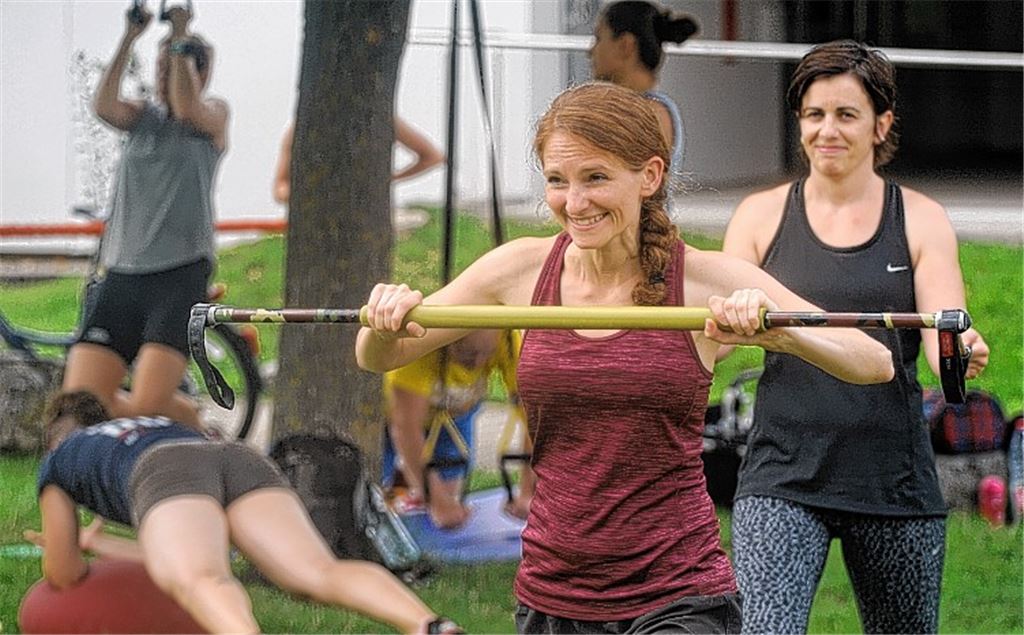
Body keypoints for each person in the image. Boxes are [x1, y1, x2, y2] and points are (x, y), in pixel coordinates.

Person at [355, 81, 895, 633]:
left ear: (650, 176)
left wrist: (788, 338)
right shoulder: (517, 270)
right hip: (554, 593)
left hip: (678, 593)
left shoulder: (702, 279)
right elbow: (379, 355)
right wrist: (384, 319)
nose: (575, 202)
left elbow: (872, 359)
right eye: (557, 181)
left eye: (596, 178)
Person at [721, 40, 991, 635]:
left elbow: (944, 333)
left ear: (881, 124)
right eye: (814, 115)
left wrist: (961, 352)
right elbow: (709, 341)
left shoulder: (919, 218)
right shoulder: (758, 216)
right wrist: (731, 319)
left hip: (891, 478)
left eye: (846, 114)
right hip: (782, 476)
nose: (827, 131)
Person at [28, 390, 463, 635]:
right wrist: (102, 544)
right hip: (232, 456)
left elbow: (64, 574)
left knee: (203, 580)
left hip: (164, 472)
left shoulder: (60, 459)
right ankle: (429, 624)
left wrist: (71, 548)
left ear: (55, 438)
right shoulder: (144, 425)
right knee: (317, 572)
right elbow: (199, 543)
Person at [62, 5, 227, 428]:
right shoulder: (141, 119)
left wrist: (180, 33)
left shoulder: (212, 118)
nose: (162, 73)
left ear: (199, 72)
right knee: (78, 405)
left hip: (179, 273)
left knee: (146, 407)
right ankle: (188, 417)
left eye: (171, 63)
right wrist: (129, 37)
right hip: (123, 271)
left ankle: (188, 430)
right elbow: (102, 105)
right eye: (158, 65)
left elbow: (188, 107)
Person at [383, 329, 535, 528]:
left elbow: (536, 419)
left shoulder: (508, 341)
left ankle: (413, 481)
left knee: (446, 499)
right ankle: (402, 478)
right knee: (390, 499)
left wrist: (528, 491)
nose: (478, 363)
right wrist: (437, 501)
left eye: (487, 354)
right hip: (397, 419)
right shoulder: (417, 350)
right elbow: (405, 429)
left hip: (456, 415)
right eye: (467, 353)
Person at [589, 0, 698, 171]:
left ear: (625, 45)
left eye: (599, 38)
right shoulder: (630, 108)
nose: (591, 51)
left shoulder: (651, 113)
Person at [272, 117, 444, 204]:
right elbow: (280, 189)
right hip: (316, 222)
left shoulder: (381, 116)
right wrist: (317, 193)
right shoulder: (304, 125)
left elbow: (433, 157)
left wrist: (386, 180)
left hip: (367, 218)